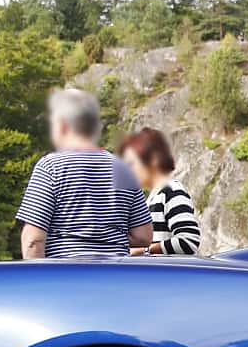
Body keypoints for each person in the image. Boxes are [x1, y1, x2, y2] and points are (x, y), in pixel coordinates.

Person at [15, 89, 150, 259]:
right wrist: (105, 240)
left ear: (62, 125)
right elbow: (144, 236)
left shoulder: (50, 167)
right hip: (115, 279)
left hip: (66, 280)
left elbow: (33, 240)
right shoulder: (124, 170)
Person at [118, 129, 201, 256]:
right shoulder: (153, 197)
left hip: (168, 274)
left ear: (153, 159)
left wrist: (141, 251)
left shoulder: (171, 190)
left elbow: (188, 242)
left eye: (131, 164)